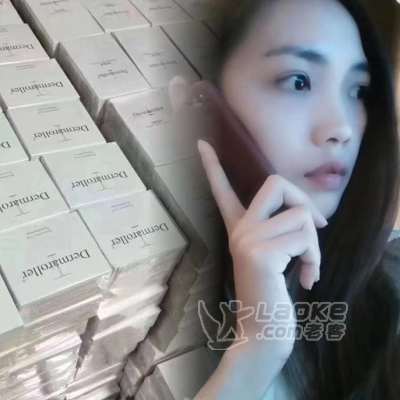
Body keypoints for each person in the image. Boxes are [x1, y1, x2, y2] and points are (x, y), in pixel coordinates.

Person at [169, 0, 400, 399]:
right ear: (213, 105)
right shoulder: (172, 316)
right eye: (298, 81)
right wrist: (256, 353)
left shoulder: (390, 282)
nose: (342, 128)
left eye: (357, 91)